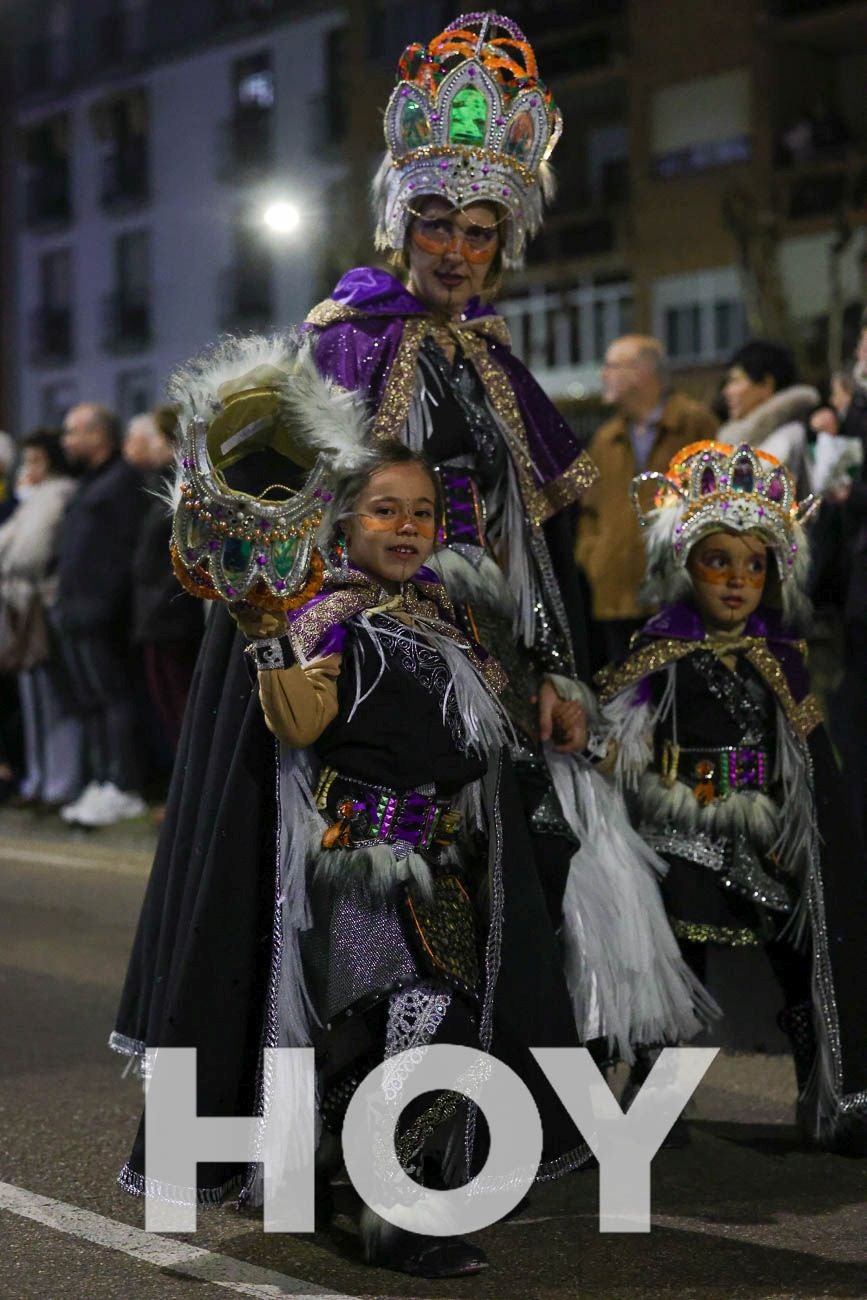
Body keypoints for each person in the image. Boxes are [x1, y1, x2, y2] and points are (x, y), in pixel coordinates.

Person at [593, 440, 867, 1152]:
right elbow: (617, 737)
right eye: (719, 561)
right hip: (678, 836)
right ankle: (657, 1112)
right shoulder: (658, 650)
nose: (737, 581)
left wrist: (802, 822)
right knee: (676, 970)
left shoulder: (782, 662)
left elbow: (807, 762)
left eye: (754, 565)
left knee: (804, 960)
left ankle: (829, 1095)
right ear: (686, 566)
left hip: (764, 839)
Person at [574, 335, 718, 668]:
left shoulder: (694, 424)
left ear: (640, 373)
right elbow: (588, 512)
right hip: (615, 599)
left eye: (611, 366)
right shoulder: (605, 438)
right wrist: (594, 558)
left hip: (679, 599)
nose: (603, 374)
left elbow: (715, 504)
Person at [55, 402, 148, 826]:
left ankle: (123, 784)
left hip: (99, 611)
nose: (66, 440)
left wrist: (106, 605)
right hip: (74, 609)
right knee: (91, 701)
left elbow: (123, 552)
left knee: (113, 698)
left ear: (98, 435)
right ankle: (102, 778)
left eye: (73, 432)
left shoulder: (122, 481)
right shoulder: (90, 482)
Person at [124, 407, 203, 808]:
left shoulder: (185, 483)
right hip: (156, 614)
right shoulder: (164, 481)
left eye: (156, 436)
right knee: (169, 708)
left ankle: (189, 794)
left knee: (181, 707)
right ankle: (182, 792)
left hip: (173, 614)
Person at [0, 430, 82, 808]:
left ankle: (57, 782)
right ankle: (39, 777)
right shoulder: (36, 497)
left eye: (35, 459)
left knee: (52, 698)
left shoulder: (57, 492)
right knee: (35, 699)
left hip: (41, 604)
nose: (28, 467)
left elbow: (26, 553)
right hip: (23, 603)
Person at [719, 340, 819, 489]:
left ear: (766, 384)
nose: (727, 392)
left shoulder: (787, 437)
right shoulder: (742, 439)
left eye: (736, 381)